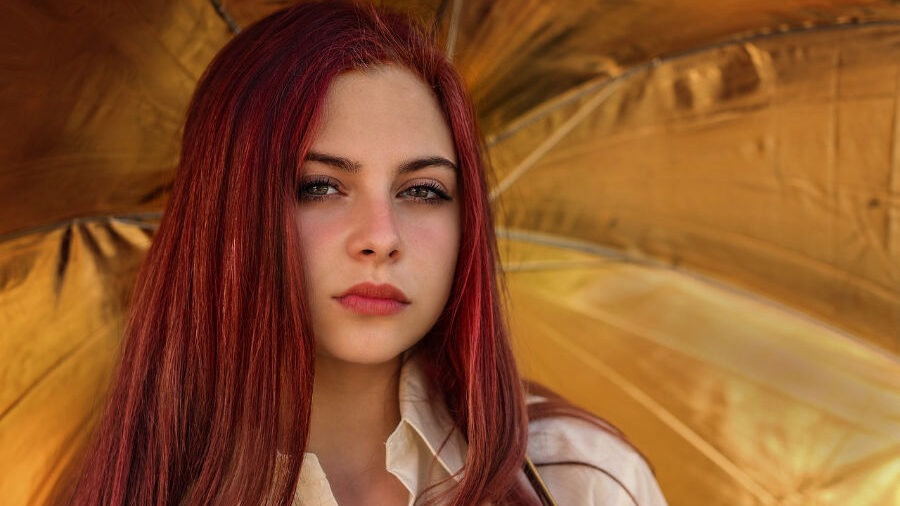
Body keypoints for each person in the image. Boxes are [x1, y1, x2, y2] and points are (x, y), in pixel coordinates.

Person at [64, 1, 668, 505]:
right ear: (226, 210)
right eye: (319, 186)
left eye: (422, 190)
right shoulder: (141, 484)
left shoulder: (575, 479)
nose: (381, 236)